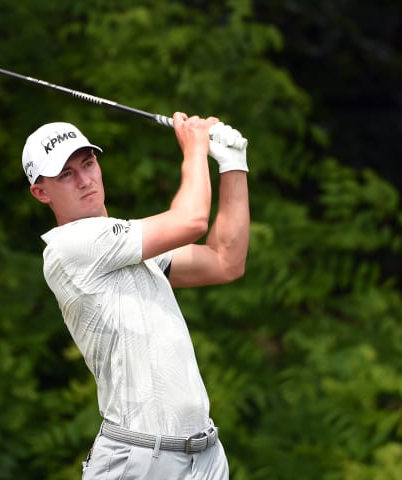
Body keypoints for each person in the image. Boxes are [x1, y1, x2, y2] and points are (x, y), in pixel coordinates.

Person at [22, 112, 250, 479]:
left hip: (204, 456)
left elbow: (226, 261)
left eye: (88, 164)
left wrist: (233, 165)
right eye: (66, 174)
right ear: (41, 192)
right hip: (140, 459)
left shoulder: (130, 245)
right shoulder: (69, 246)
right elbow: (192, 220)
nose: (84, 180)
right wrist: (195, 147)